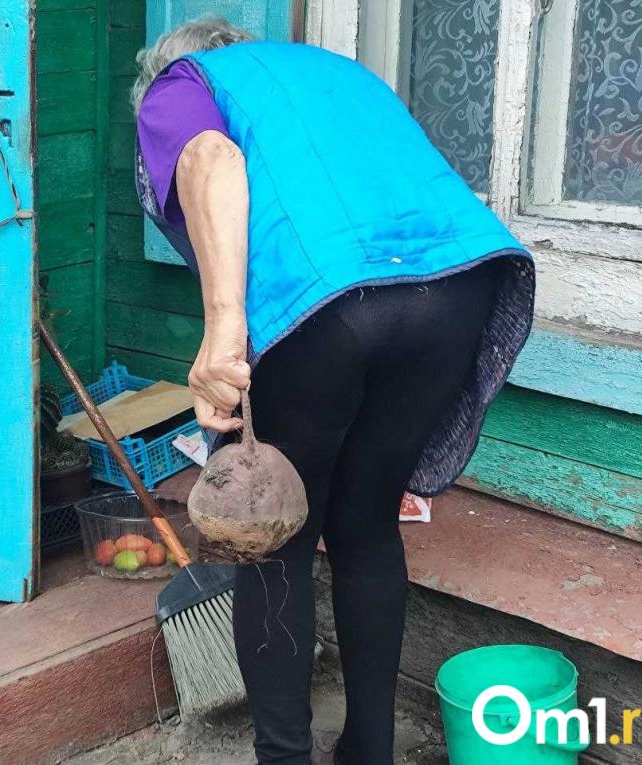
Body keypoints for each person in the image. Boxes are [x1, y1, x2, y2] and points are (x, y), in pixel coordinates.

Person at [132, 18, 534, 765]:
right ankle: (368, 753)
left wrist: (223, 331)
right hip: (457, 288)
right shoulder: (333, 73)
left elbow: (213, 159)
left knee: (275, 541)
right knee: (366, 524)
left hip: (329, 303)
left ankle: (285, 757)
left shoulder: (182, 85)